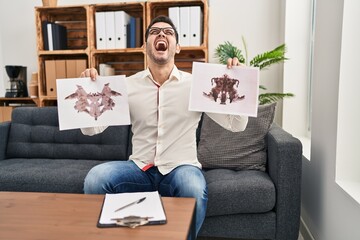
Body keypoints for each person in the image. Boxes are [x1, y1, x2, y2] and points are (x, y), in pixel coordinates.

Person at [80, 15, 248, 238]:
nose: (161, 34)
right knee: (96, 178)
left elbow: (236, 125)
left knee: (193, 188)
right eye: (154, 32)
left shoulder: (196, 85)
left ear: (177, 47)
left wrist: (241, 79)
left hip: (181, 168)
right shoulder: (127, 86)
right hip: (139, 169)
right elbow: (91, 129)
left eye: (168, 32)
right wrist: (86, 88)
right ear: (144, 46)